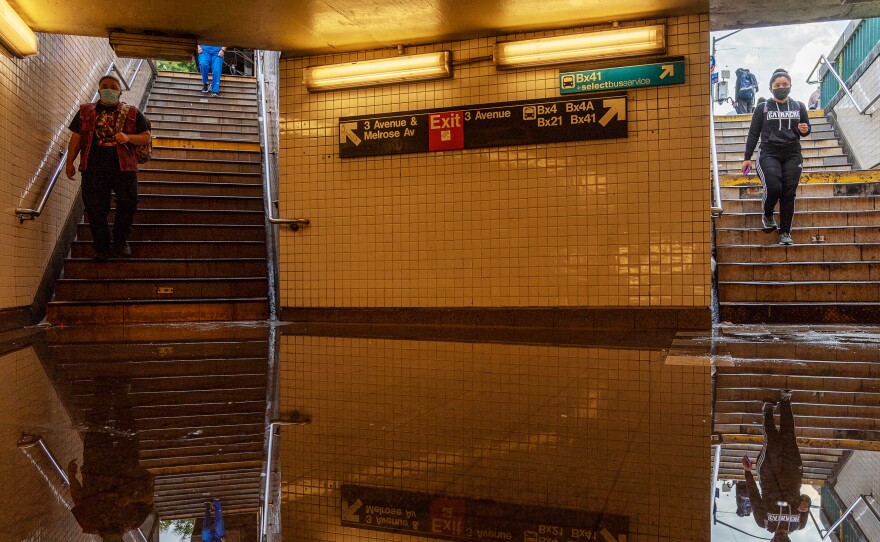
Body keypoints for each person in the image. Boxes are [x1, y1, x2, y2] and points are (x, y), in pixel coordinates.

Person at [65, 75, 152, 261]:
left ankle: (120, 241)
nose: (109, 90)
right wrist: (69, 162)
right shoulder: (84, 111)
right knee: (95, 207)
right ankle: (102, 247)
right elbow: (76, 138)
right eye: (104, 86)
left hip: (124, 166)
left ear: (120, 91)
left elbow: (146, 137)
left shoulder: (132, 112)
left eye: (113, 87)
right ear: (98, 90)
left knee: (128, 202)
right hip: (93, 166)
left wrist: (128, 138)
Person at [66, 380, 155, 540]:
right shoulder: (133, 521)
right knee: (127, 427)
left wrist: (71, 477)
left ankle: (102, 389)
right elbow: (149, 498)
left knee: (97, 425)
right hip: (125, 465)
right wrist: (130, 498)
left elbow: (78, 498)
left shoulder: (89, 522)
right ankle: (121, 392)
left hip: (96, 465)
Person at [741, 68, 812, 245]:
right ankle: (767, 213)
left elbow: (805, 129)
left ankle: (785, 232)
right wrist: (747, 157)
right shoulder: (762, 108)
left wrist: (805, 130)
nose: (782, 87)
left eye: (785, 85)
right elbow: (753, 133)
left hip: (792, 154)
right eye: (777, 85)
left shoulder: (799, 106)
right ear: (771, 88)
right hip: (769, 153)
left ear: (790, 86)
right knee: (774, 187)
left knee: (788, 193)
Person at [741, 390, 811, 542]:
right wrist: (805, 503)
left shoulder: (763, 522)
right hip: (793, 476)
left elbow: (753, 496)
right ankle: (785, 401)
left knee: (773, 443)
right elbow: (805, 498)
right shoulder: (799, 524)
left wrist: (748, 472)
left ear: (772, 540)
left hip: (768, 476)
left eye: (778, 539)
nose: (782, 535)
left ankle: (767, 412)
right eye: (785, 539)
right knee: (789, 437)